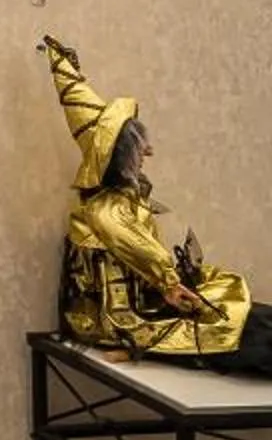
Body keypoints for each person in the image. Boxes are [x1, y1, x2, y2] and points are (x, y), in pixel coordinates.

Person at [41, 35, 272, 371]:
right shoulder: (106, 211)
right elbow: (135, 246)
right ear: (120, 155)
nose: (148, 153)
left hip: (146, 299)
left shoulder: (121, 202)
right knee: (236, 326)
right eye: (139, 146)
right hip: (120, 318)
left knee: (235, 301)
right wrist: (168, 281)